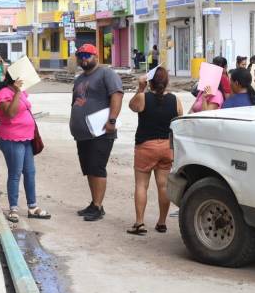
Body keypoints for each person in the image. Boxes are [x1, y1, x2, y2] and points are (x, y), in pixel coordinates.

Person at [69, 43, 124, 222]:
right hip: (83, 134)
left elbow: (117, 95)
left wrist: (112, 120)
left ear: (96, 57)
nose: (84, 58)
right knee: (89, 169)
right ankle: (94, 203)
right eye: (81, 55)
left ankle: (98, 207)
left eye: (87, 55)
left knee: (97, 167)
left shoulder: (106, 74)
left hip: (101, 132)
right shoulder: (79, 79)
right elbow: (75, 102)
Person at [127, 67, 183, 235]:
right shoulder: (175, 100)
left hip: (146, 146)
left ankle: (139, 223)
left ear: (150, 82)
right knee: (163, 186)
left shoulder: (143, 98)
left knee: (141, 185)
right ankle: (161, 222)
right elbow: (179, 120)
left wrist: (140, 88)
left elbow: (132, 106)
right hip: (167, 147)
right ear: (167, 82)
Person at [0, 72, 50, 223]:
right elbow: (11, 113)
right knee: (15, 173)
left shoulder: (21, 92)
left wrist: (19, 91)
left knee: (30, 172)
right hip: (11, 139)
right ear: (15, 79)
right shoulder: (4, 93)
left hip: (27, 138)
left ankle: (32, 207)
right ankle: (13, 208)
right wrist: (17, 92)